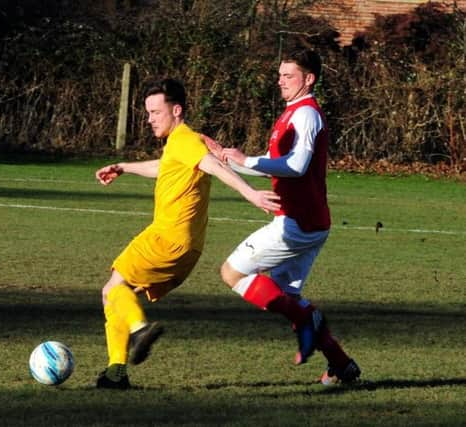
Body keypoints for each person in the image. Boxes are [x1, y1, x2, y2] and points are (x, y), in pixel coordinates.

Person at [94, 78, 280, 389]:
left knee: (113, 288)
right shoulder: (178, 145)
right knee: (115, 294)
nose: (150, 118)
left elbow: (213, 166)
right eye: (148, 113)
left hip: (165, 237)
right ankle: (116, 372)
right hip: (188, 251)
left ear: (176, 110)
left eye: (156, 111)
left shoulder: (185, 140)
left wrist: (250, 194)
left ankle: (140, 331)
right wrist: (124, 166)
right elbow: (165, 166)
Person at [202, 49, 361, 385]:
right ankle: (341, 364)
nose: (280, 81)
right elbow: (280, 170)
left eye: (288, 75)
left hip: (296, 224)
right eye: (279, 75)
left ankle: (307, 320)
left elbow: (296, 166)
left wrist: (246, 161)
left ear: (309, 79)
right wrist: (230, 161)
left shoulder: (305, 114)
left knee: (232, 272)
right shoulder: (293, 113)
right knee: (284, 296)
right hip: (308, 222)